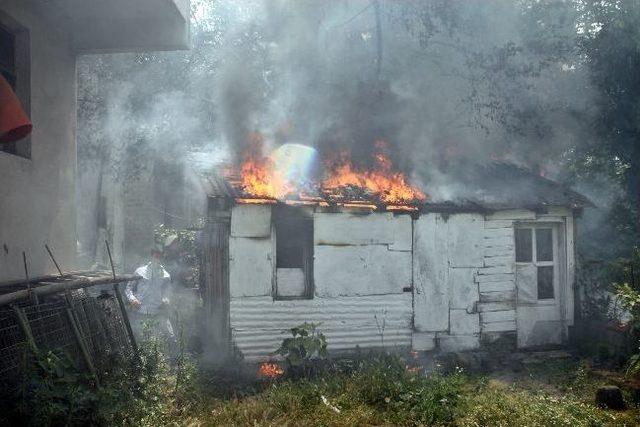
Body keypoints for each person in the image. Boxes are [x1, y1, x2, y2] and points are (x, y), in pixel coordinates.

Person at [125, 247, 174, 340]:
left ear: (163, 257)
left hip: (158, 312)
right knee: (139, 338)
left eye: (160, 255)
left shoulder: (166, 275)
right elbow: (128, 288)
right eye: (156, 254)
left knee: (168, 338)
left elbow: (167, 292)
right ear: (152, 255)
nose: (158, 257)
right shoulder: (140, 271)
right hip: (140, 311)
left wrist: (166, 299)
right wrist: (132, 299)